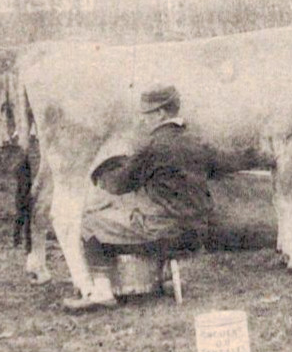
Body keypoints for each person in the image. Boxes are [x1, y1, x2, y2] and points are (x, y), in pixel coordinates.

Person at [63, 85, 227, 311]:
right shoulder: (196, 140)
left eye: (147, 115)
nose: (143, 121)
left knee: (91, 222)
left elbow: (120, 184)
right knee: (155, 211)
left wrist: (99, 175)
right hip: (198, 232)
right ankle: (163, 276)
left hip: (167, 233)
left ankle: (101, 291)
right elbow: (216, 168)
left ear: (160, 114)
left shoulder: (151, 146)